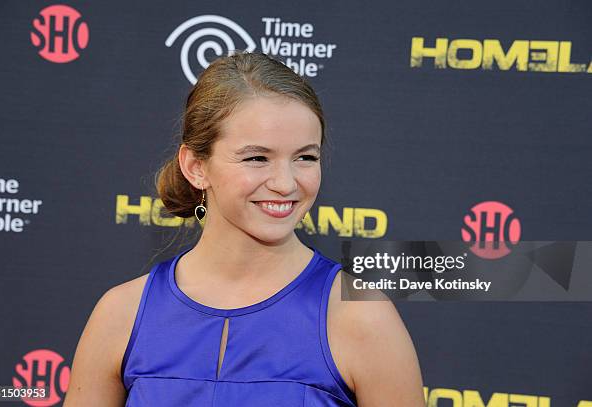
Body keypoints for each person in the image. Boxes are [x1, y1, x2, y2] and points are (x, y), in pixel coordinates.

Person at [63, 51, 425, 406]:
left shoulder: (361, 316)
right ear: (195, 166)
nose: (286, 183)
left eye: (305, 157)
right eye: (257, 158)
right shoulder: (121, 312)